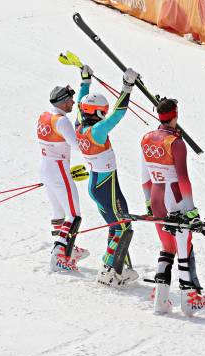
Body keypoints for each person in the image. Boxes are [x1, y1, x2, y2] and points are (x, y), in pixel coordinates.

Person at [140, 98, 205, 315]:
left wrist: (148, 203)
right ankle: (189, 299)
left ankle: (160, 298)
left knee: (167, 246)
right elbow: (183, 178)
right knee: (183, 247)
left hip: (156, 198)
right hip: (175, 199)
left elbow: (145, 177)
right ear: (176, 115)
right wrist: (192, 210)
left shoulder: (146, 138)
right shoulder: (176, 142)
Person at [75, 64, 139, 286]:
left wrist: (85, 81)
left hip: (99, 184)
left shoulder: (80, 127)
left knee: (119, 225)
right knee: (123, 226)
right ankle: (109, 270)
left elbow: (79, 104)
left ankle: (115, 268)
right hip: (106, 186)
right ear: (98, 112)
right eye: (102, 110)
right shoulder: (98, 131)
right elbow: (118, 114)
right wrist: (126, 86)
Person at [38, 85, 89, 272]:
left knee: (58, 211)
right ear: (62, 101)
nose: (73, 103)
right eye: (70, 100)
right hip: (59, 169)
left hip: (46, 167)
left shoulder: (45, 115)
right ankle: (59, 254)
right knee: (74, 214)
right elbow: (78, 146)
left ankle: (65, 247)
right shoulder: (62, 121)